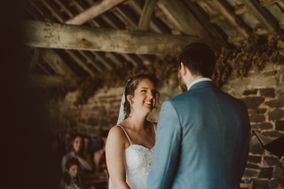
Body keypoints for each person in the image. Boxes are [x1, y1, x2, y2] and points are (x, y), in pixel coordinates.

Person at [147, 43, 250, 189]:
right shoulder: (239, 107)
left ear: (182, 68)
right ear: (212, 69)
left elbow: (162, 170)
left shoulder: (174, 107)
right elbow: (240, 161)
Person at [106, 74, 159, 189]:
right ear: (130, 98)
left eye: (153, 92)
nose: (151, 96)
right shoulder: (117, 134)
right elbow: (119, 182)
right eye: (144, 91)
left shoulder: (158, 129)